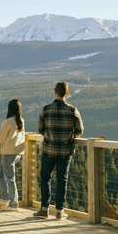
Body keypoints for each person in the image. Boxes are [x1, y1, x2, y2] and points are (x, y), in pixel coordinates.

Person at [34, 82, 83, 220]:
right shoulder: (73, 110)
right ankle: (60, 211)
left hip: (48, 149)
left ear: (55, 92)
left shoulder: (46, 109)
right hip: (65, 151)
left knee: (45, 178)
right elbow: (79, 130)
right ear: (67, 93)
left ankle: (44, 210)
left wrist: (50, 137)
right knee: (62, 180)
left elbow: (41, 130)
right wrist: (69, 136)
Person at [0, 98, 26, 212]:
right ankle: (6, 197)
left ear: (9, 108)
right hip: (18, 153)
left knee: (9, 178)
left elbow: (0, 138)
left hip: (8, 153)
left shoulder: (7, 122)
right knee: (0, 173)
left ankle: (13, 203)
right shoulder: (20, 120)